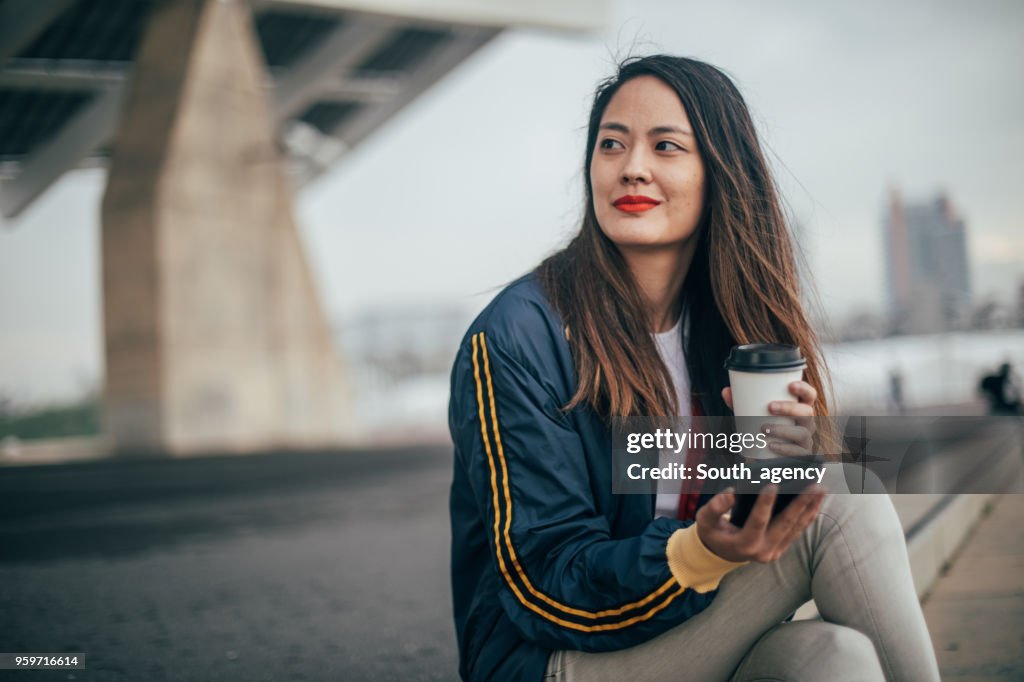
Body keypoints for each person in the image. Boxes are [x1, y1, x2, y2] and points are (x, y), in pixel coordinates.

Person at [448, 55, 940, 682]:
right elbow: (540, 583)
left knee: (834, 660)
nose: (632, 166)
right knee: (847, 497)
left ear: (719, 174)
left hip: (680, 633)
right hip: (551, 662)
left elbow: (744, 516)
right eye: (612, 144)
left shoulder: (731, 328)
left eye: (666, 146)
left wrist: (771, 459)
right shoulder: (517, 338)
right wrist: (695, 554)